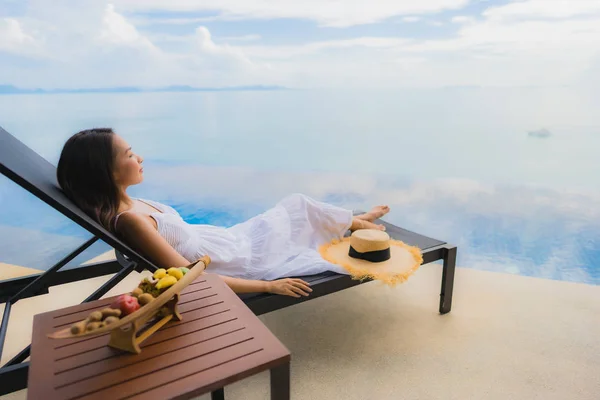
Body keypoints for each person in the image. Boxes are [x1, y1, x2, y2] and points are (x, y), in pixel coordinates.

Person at [57, 128, 390, 298]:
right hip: (237, 261)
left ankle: (355, 221)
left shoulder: (129, 205)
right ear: (108, 171)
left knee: (297, 205)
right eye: (129, 154)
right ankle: (357, 222)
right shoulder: (131, 220)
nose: (139, 157)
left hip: (229, 241)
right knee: (298, 206)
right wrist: (267, 288)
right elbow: (189, 276)